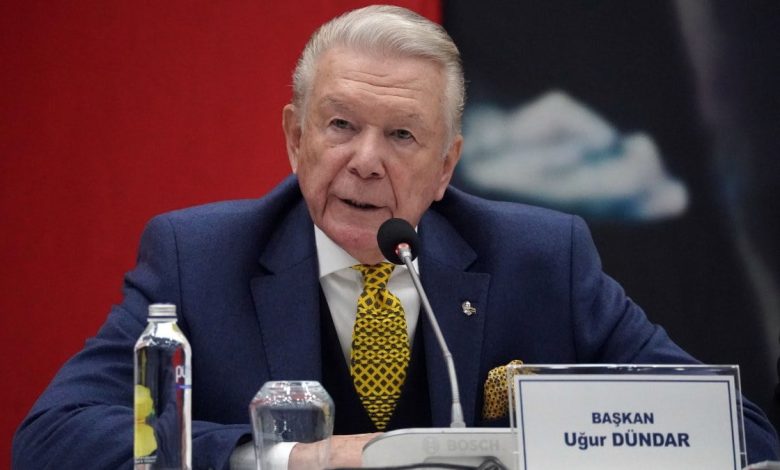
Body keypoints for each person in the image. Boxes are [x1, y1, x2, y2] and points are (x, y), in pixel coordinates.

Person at [12, 5, 780, 469]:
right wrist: (290, 458)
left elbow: (737, 432)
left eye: (403, 135)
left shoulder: (542, 259)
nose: (366, 161)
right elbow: (54, 439)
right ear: (295, 139)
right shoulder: (198, 260)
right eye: (341, 125)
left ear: (446, 166)